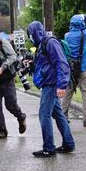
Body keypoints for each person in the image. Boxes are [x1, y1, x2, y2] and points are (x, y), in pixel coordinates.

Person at [28, 21, 75, 158]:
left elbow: (61, 63)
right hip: (50, 83)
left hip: (52, 84)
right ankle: (68, 143)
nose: (30, 38)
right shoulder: (43, 44)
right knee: (58, 115)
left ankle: (49, 148)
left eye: (30, 35)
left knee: (44, 115)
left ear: (35, 33)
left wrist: (61, 85)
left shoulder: (50, 42)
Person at [62, 14, 86, 127]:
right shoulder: (85, 34)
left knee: (67, 94)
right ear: (82, 24)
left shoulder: (67, 36)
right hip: (84, 69)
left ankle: (63, 116)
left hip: (71, 70)